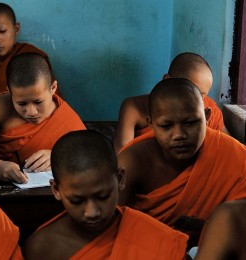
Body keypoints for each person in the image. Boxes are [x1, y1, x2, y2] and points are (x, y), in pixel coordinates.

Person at [117, 78, 246, 248]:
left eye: (191, 122)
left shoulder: (232, 154)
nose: (179, 135)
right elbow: (112, 226)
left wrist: (205, 226)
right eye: (166, 126)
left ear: (207, 117)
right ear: (151, 125)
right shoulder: (133, 161)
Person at [24, 130, 188, 259]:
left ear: (120, 179)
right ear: (56, 190)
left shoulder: (155, 238)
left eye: (102, 197)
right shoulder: (42, 248)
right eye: (77, 200)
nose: (92, 212)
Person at [0, 52, 85, 183]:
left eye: (38, 102)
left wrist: (57, 156)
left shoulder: (66, 118)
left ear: (53, 88)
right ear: (10, 93)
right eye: (21, 103)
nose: (31, 112)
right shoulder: (1, 105)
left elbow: (89, 153)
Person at [114, 52, 229, 154]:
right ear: (167, 79)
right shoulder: (134, 107)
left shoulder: (208, 109)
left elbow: (229, 149)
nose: (195, 99)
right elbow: (122, 154)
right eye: (189, 90)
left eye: (202, 95)